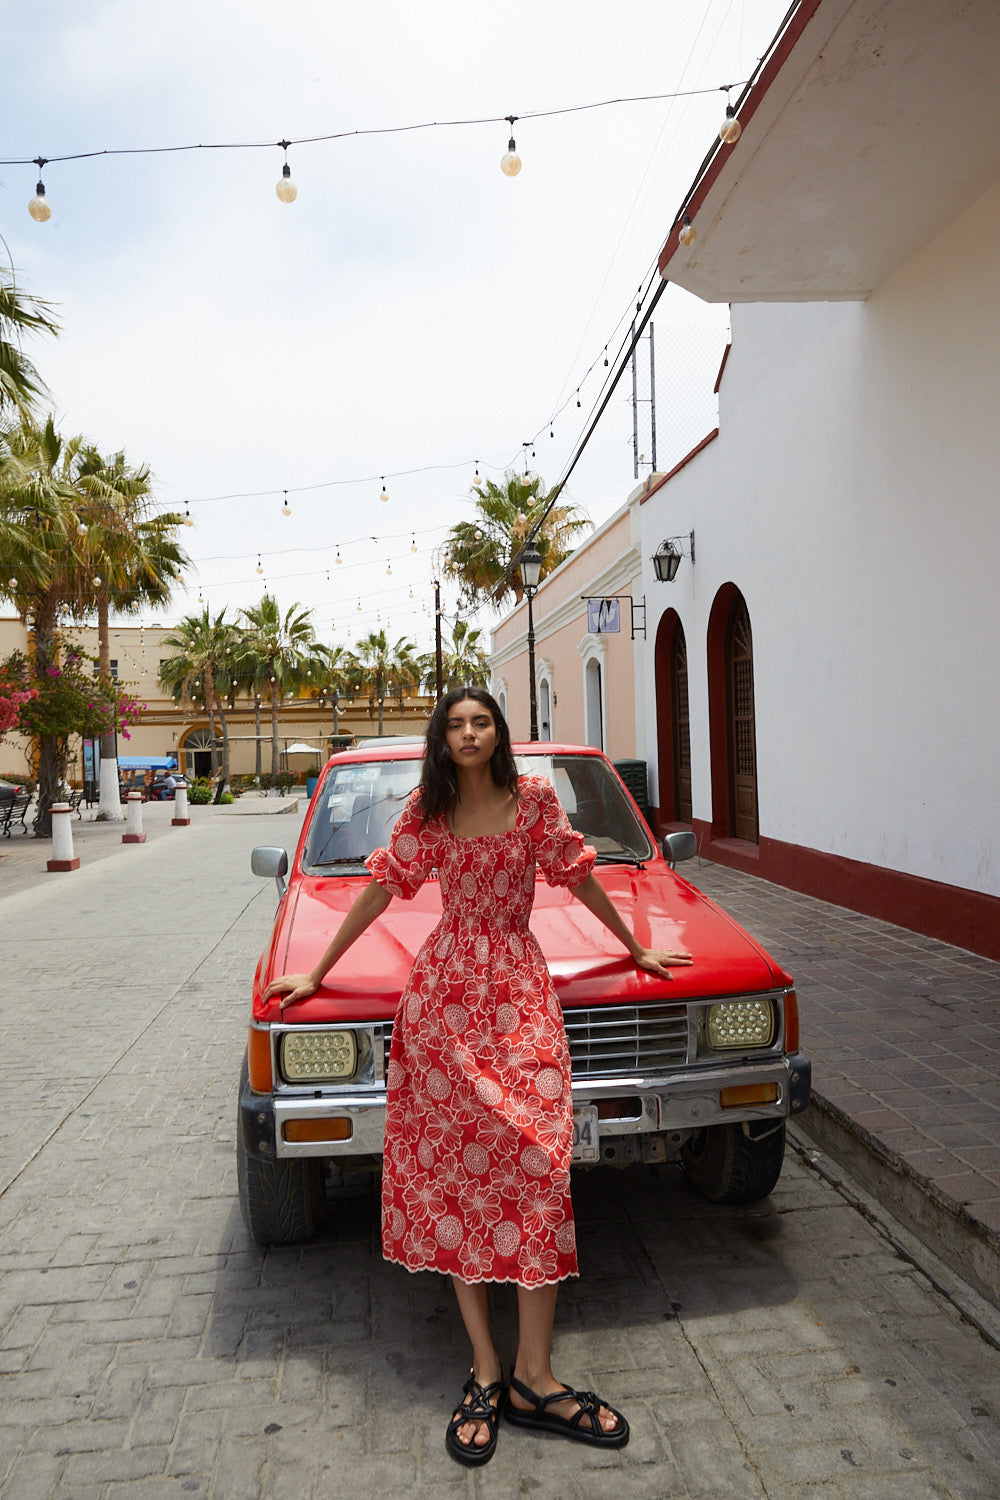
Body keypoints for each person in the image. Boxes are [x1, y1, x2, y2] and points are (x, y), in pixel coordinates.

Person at [263, 688, 692, 1466]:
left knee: (536, 1159)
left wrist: (636, 949)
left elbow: (579, 878)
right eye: (455, 724)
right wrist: (316, 970)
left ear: (498, 733)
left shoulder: (532, 802)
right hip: (443, 1004)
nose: (468, 733)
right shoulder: (427, 813)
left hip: (519, 989)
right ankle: (488, 1370)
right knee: (454, 1178)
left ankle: (537, 1374)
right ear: (444, 736)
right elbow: (379, 892)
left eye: (480, 721)